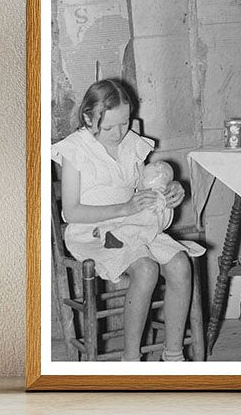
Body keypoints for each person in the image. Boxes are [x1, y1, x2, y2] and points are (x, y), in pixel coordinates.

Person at [51, 79, 203, 362]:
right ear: (88, 117)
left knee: (180, 264)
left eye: (125, 123)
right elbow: (71, 212)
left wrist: (171, 191)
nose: (119, 133)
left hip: (131, 224)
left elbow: (148, 184)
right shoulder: (75, 150)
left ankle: (173, 356)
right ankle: (130, 361)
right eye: (108, 127)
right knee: (145, 269)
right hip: (91, 232)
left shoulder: (131, 142)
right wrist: (125, 208)